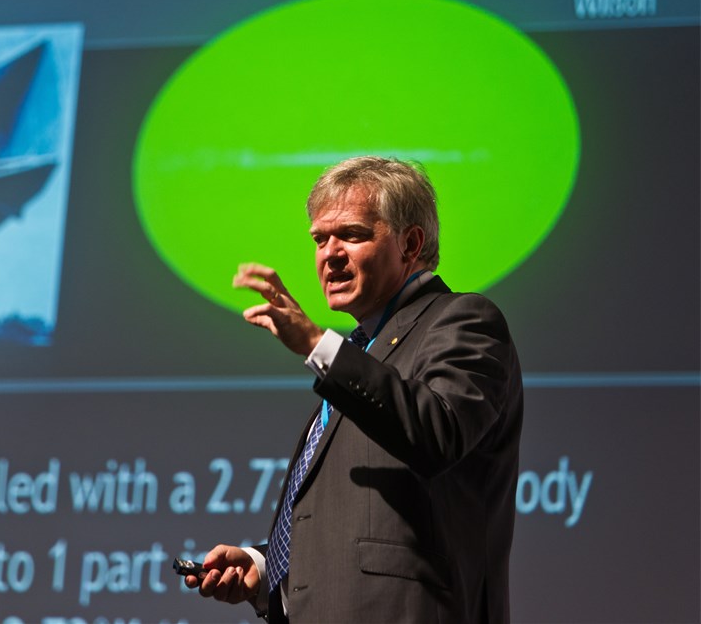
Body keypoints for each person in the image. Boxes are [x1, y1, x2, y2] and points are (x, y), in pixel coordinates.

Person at [184, 156, 523, 623]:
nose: (330, 253)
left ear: (411, 243)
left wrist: (315, 342)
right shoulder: (360, 353)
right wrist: (267, 571)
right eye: (320, 239)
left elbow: (436, 433)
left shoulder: (462, 321)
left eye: (352, 234)